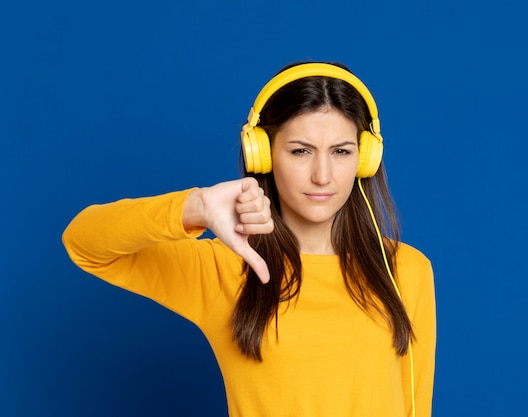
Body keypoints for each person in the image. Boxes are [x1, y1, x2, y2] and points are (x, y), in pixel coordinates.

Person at [62, 62, 436, 417]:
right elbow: (84, 243)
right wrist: (196, 206)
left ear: (365, 159)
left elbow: (416, 407)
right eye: (300, 151)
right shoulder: (224, 267)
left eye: (341, 151)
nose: (323, 175)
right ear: (264, 154)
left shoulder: (405, 270)